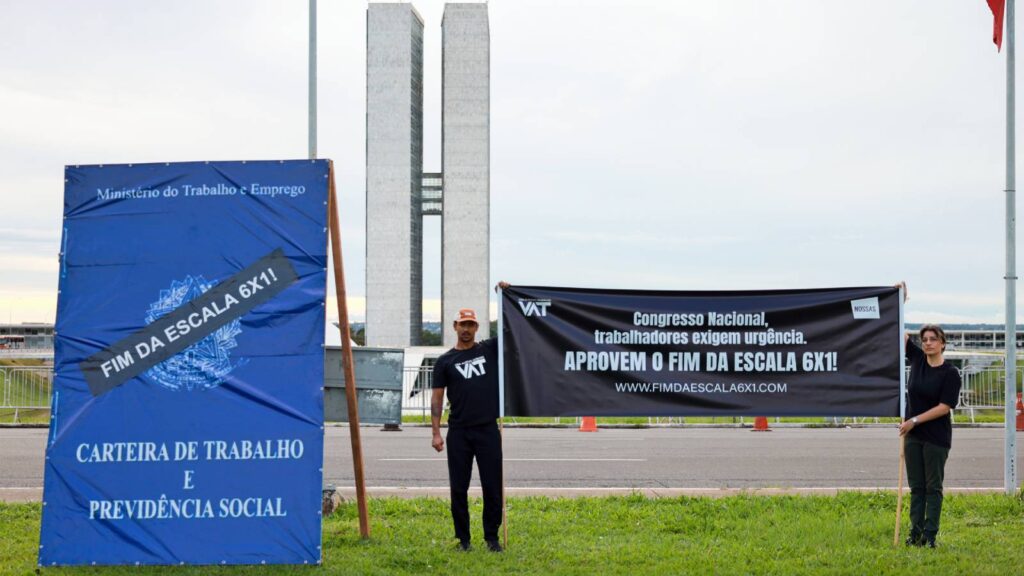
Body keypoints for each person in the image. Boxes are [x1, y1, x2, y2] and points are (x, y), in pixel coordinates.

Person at [431, 286, 508, 553]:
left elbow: (511, 329)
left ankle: (492, 538)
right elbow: (437, 399)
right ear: (455, 326)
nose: (467, 329)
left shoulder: (488, 350)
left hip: (488, 429)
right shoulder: (444, 362)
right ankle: (463, 540)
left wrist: (505, 296)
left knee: (492, 487)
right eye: (463, 324)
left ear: (477, 328)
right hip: (459, 432)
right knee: (458, 488)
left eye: (471, 325)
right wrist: (436, 432)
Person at [897, 282, 962, 548]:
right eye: (924, 340)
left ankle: (930, 535)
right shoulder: (917, 360)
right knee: (917, 488)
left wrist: (913, 420)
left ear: (943, 344)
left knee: (933, 488)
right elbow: (898, 333)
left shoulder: (950, 373)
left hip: (935, 437)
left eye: (933, 339)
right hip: (913, 437)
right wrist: (899, 300)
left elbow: (945, 406)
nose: (927, 343)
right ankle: (915, 534)